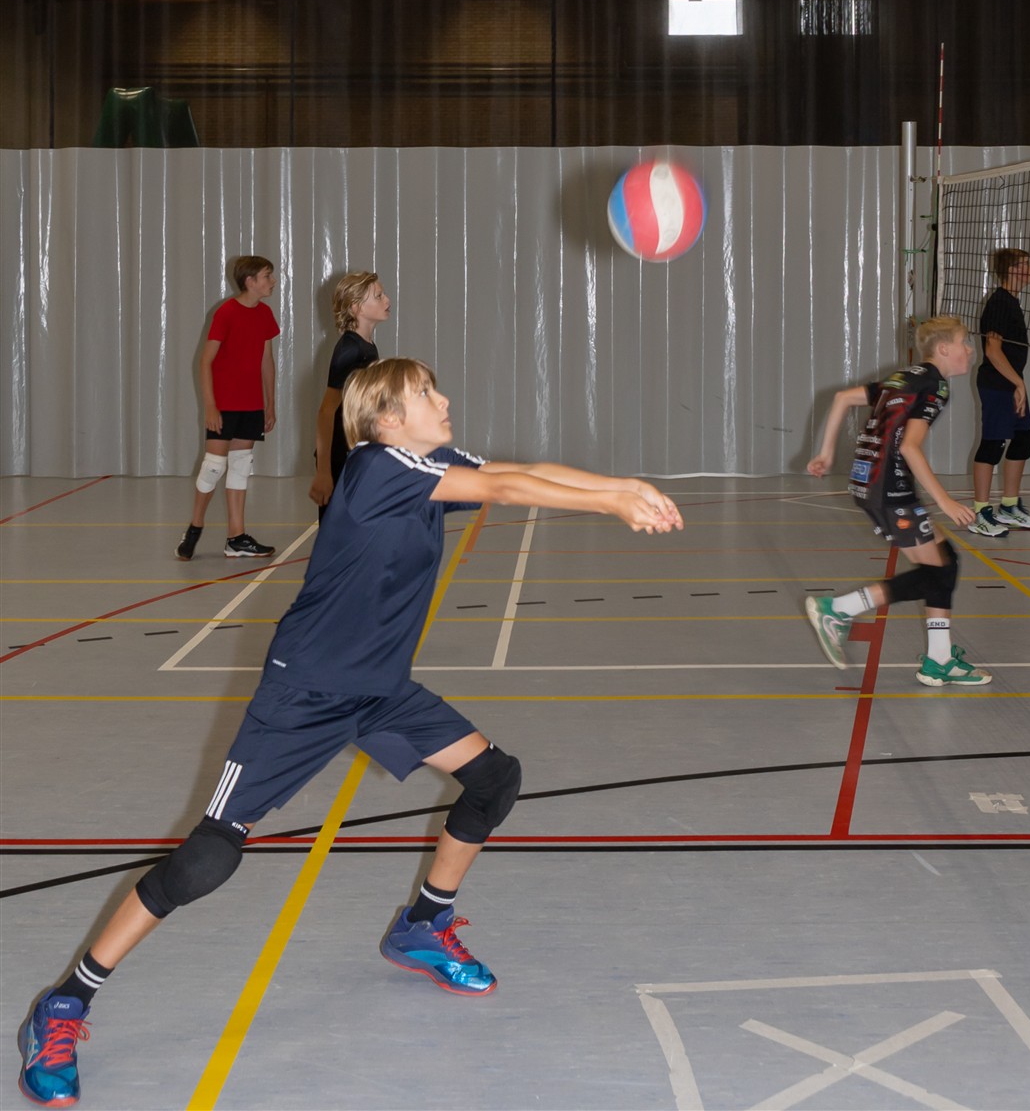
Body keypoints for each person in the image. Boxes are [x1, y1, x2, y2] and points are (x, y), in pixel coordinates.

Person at [19, 357, 683, 1107]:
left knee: (494, 778)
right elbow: (505, 488)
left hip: (378, 688)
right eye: (427, 393)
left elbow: (517, 470)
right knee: (208, 856)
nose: (445, 398)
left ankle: (423, 926)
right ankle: (67, 1002)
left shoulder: (426, 462)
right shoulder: (378, 464)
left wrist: (619, 487)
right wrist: (611, 505)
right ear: (387, 418)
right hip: (304, 691)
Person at [803, 315, 990, 689]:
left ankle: (939, 659)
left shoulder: (903, 377)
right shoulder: (934, 386)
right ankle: (838, 609)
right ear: (943, 349)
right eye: (964, 342)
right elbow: (909, 446)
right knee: (936, 573)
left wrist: (825, 453)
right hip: (889, 488)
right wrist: (946, 501)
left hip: (871, 481)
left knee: (946, 562)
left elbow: (842, 399)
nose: (970, 349)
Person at [175, 255, 279, 562]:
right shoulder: (226, 313)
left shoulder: (265, 314)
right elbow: (205, 361)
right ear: (250, 281)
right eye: (266, 276)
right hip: (224, 404)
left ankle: (236, 538)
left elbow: (266, 360)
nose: (272, 281)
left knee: (240, 467)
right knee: (213, 468)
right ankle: (194, 528)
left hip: (251, 405)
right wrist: (210, 406)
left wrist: (270, 402)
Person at [969, 247, 1030, 537]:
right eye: (1025, 263)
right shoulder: (999, 303)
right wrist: (1018, 383)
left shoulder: (1011, 301)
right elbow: (992, 350)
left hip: (1010, 383)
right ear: (1012, 270)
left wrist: (1017, 382)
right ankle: (980, 513)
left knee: (1024, 440)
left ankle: (1009, 507)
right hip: (998, 384)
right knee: (993, 444)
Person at [308, 271, 390, 516]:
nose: (387, 300)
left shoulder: (367, 346)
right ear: (357, 308)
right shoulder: (349, 350)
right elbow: (326, 411)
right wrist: (324, 472)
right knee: (338, 534)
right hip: (340, 456)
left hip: (358, 451)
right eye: (378, 296)